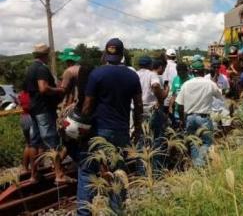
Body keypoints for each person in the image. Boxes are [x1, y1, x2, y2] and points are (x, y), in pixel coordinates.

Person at [78, 38, 143, 216]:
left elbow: (87, 105)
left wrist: (82, 129)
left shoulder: (97, 74)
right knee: (118, 172)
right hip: (121, 132)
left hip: (98, 131)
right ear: (122, 55)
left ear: (106, 54)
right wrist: (137, 129)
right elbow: (138, 106)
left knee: (87, 171)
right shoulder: (132, 76)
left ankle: (84, 212)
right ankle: (116, 211)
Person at [24, 43, 67, 183]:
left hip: (34, 109)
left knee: (34, 142)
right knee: (51, 141)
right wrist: (59, 90)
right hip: (43, 109)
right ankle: (59, 175)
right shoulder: (42, 68)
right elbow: (43, 88)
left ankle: (34, 175)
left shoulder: (30, 68)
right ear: (46, 55)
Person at [176, 59, 223, 167]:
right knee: (207, 142)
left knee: (193, 142)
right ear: (203, 71)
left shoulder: (186, 85)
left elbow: (179, 105)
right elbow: (219, 96)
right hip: (204, 118)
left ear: (192, 71)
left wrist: (183, 120)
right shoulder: (210, 83)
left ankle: (196, 166)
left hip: (189, 118)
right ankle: (200, 165)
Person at [137, 56, 168, 174]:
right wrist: (161, 98)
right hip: (151, 109)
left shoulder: (135, 74)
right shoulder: (151, 74)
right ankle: (156, 170)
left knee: (141, 141)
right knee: (156, 139)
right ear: (150, 65)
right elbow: (155, 86)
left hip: (138, 110)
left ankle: (141, 171)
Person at [168, 63, 192, 129]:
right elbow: (174, 94)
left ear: (186, 71)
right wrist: (170, 106)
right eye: (178, 71)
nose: (179, 73)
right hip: (177, 111)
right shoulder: (175, 79)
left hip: (188, 112)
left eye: (181, 71)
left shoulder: (191, 80)